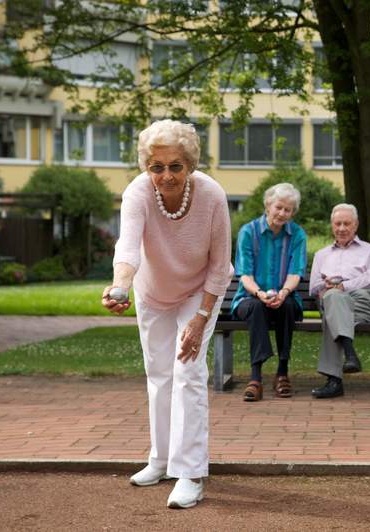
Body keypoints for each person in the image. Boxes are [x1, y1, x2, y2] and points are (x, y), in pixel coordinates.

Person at [103, 119, 233, 509]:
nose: (166, 175)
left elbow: (220, 264)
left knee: (188, 373)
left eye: (175, 166)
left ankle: (190, 473)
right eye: (156, 167)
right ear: (147, 167)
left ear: (190, 164)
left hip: (199, 292)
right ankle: (160, 459)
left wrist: (201, 318)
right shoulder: (138, 193)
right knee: (159, 375)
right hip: (152, 291)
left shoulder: (212, 195)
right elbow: (127, 249)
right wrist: (119, 287)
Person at [232, 182, 307, 402]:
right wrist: (260, 294)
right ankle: (255, 378)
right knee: (256, 307)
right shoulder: (248, 232)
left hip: (284, 296)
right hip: (250, 297)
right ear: (268, 205)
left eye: (288, 210)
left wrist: (283, 292)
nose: (283, 213)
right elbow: (244, 274)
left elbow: (296, 272)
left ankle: (282, 373)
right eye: (279, 207)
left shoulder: (297, 234)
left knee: (288, 306)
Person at [309, 203, 370, 398]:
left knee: (332, 312)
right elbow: (313, 286)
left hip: (363, 301)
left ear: (356, 225)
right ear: (332, 225)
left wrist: (344, 286)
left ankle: (334, 382)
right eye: (337, 223)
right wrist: (326, 286)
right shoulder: (321, 255)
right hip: (331, 301)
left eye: (346, 223)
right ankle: (350, 355)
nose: (341, 228)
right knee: (333, 300)